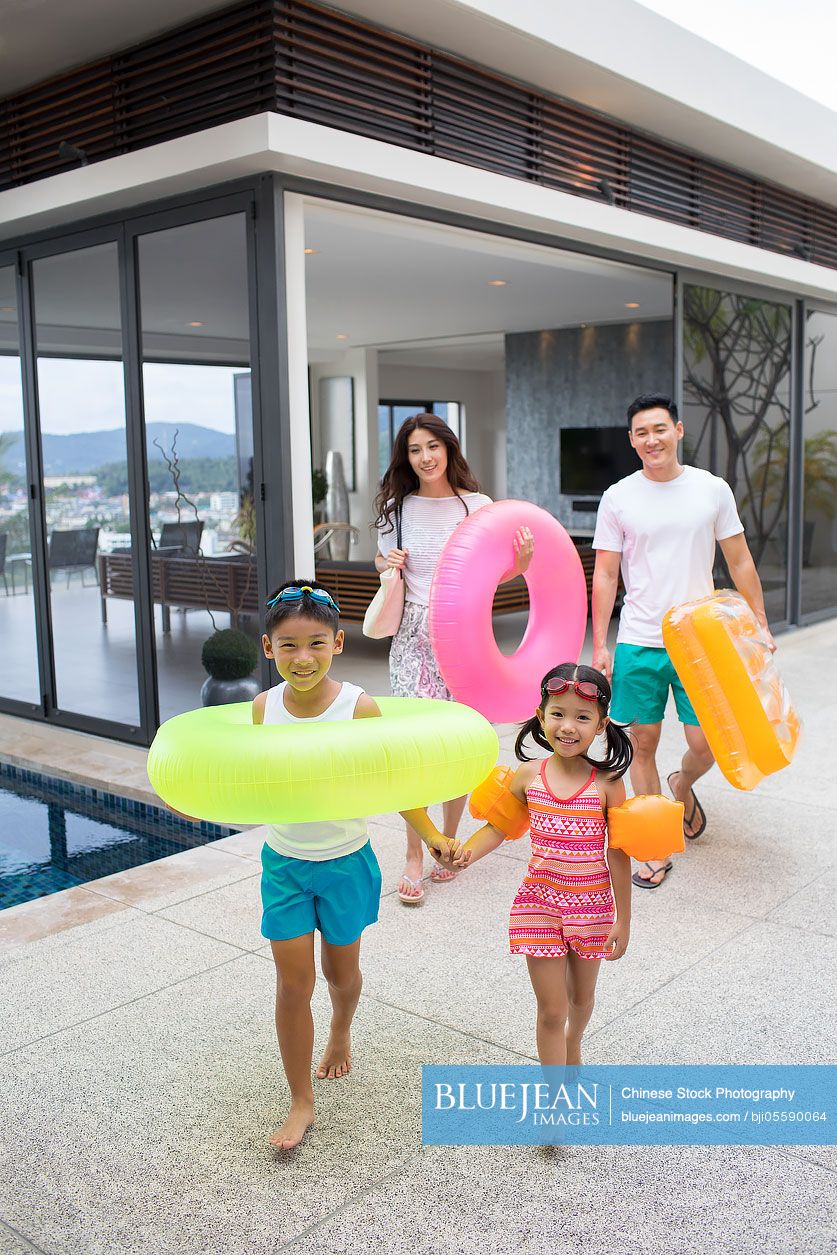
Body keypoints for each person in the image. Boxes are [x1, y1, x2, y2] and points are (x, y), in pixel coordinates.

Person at [254, 579, 465, 1150]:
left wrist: (432, 836)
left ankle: (341, 1030)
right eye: (290, 645)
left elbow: (392, 782)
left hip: (346, 863)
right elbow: (250, 781)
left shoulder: (358, 708)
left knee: (339, 976)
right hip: (286, 865)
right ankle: (301, 1099)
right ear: (269, 649)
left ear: (339, 644)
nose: (304, 658)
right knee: (292, 983)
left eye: (317, 643)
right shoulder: (262, 708)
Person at [591, 392, 776, 889]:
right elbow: (606, 574)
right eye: (640, 433)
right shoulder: (618, 497)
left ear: (678, 430)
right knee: (641, 743)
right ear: (632, 441)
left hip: (701, 641)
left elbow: (738, 560)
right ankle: (653, 846)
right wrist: (600, 643)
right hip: (638, 639)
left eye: (659, 429)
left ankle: (684, 784)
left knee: (708, 743)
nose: (651, 439)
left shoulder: (711, 490)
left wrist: (758, 622)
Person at [374, 413, 533, 905]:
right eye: (415, 449)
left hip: (462, 637)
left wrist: (522, 562)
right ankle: (415, 855)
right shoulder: (396, 510)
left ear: (449, 449)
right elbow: (383, 562)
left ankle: (449, 841)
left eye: (432, 447)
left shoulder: (477, 506)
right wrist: (388, 564)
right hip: (413, 636)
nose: (425, 457)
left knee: (457, 744)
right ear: (407, 457)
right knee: (412, 748)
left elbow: (497, 571)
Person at [460, 664, 633, 1066]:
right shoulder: (527, 775)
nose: (568, 726)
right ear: (541, 715)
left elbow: (618, 853)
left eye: (582, 717)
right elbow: (498, 828)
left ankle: (574, 1043)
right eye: (558, 713)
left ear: (601, 725)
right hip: (538, 904)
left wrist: (623, 919)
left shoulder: (607, 784)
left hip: (592, 907)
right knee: (552, 1010)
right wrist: (464, 854)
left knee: (581, 998)